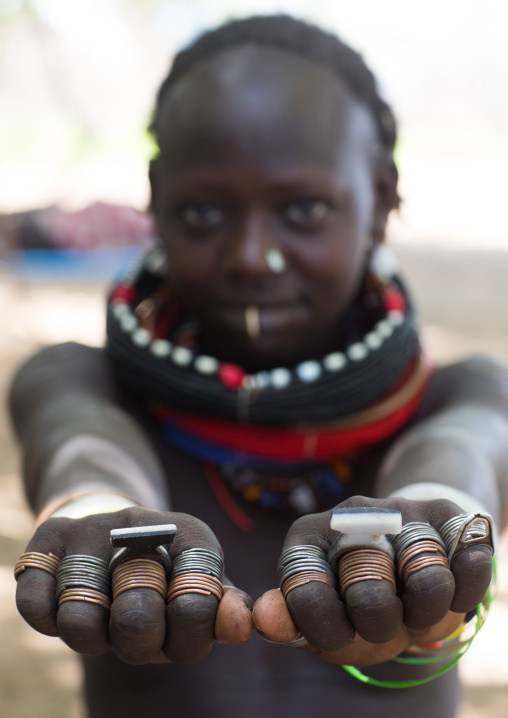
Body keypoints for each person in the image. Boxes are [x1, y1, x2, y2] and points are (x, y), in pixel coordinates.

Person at [9, 15, 505, 718]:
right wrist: (93, 514)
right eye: (205, 211)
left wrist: (433, 520)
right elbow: (82, 447)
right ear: (156, 195)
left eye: (303, 209)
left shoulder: (464, 394)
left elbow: (463, 453)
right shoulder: (76, 381)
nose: (251, 255)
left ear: (382, 198)